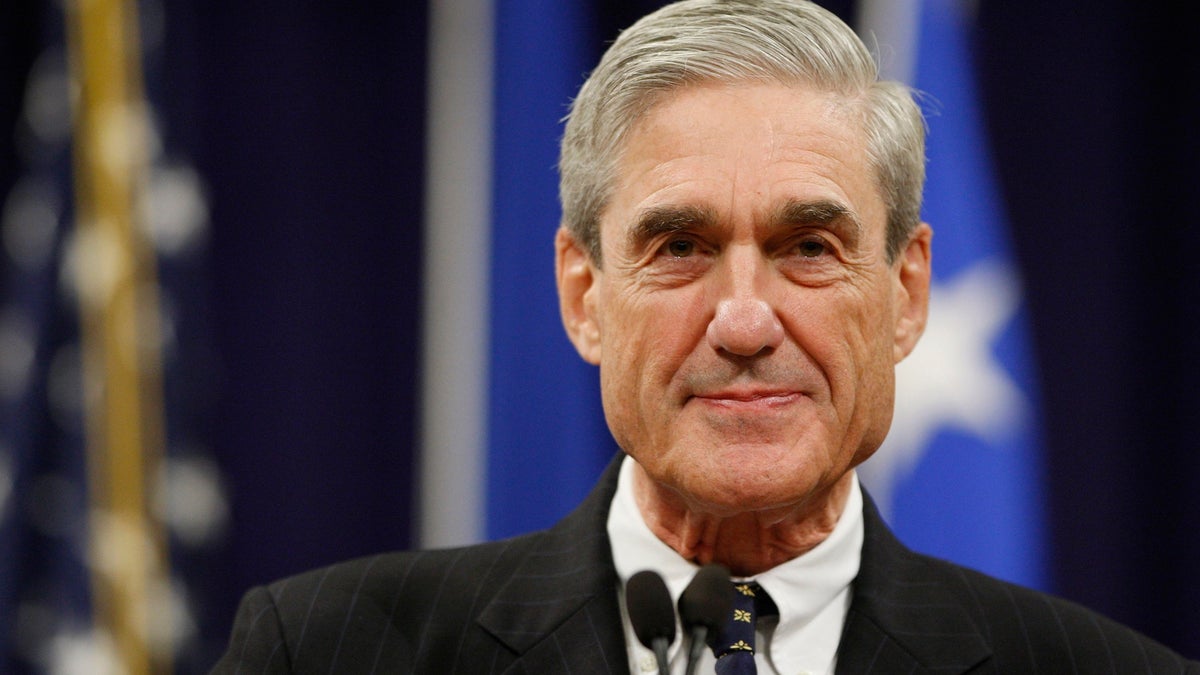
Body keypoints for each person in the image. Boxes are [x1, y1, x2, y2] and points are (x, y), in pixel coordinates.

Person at [211, 1, 1200, 673]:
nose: (741, 320)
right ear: (583, 294)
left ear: (904, 294)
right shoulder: (327, 652)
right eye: (679, 246)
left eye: (809, 246)